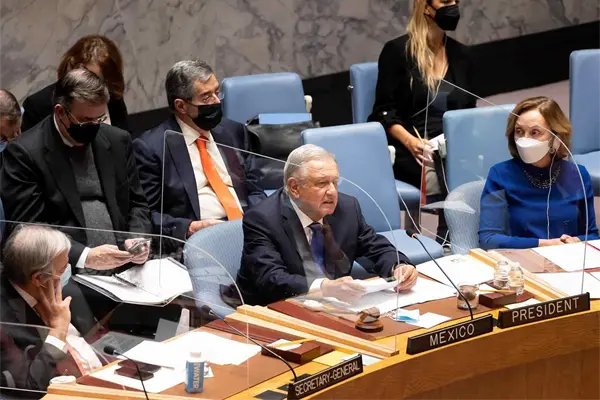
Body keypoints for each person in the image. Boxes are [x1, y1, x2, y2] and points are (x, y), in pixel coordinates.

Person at [0, 68, 151, 272]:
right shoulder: (24, 153)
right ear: (60, 112)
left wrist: (138, 238)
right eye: (85, 120)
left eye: (99, 119)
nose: (93, 126)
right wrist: (84, 256)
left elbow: (137, 203)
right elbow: (30, 229)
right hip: (65, 271)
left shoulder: (118, 140)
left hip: (126, 265)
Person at [237, 145, 418, 306]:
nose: (332, 191)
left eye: (335, 182)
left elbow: (374, 247)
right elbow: (271, 278)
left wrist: (398, 266)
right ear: (294, 188)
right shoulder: (262, 219)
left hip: (332, 307)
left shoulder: (347, 207)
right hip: (273, 309)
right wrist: (324, 287)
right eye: (322, 183)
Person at [369, 0, 475, 242]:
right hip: (410, 146)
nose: (453, 6)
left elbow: (469, 111)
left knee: (479, 161)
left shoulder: (462, 55)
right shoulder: (398, 52)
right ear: (425, 7)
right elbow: (383, 112)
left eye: (455, 1)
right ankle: (450, 238)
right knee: (446, 166)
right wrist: (411, 142)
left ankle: (470, 233)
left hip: (452, 144)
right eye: (445, 1)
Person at [133, 60, 265, 243]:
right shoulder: (151, 148)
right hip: (201, 240)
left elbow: (255, 188)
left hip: (249, 230)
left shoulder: (233, 131)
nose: (216, 101)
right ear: (181, 106)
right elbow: (147, 215)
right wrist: (190, 228)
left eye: (217, 92)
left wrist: (255, 221)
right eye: (206, 97)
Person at [479, 96, 599, 249]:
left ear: (556, 138)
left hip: (568, 258)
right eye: (519, 131)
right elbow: (488, 239)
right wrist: (545, 244)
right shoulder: (500, 174)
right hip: (519, 260)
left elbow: (592, 235)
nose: (524, 140)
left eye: (534, 132)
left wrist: (576, 241)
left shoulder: (578, 175)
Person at [0, 225, 103, 391]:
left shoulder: (59, 288)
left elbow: (95, 341)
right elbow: (30, 385)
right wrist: (57, 332)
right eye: (63, 269)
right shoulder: (5, 321)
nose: (68, 271)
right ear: (39, 278)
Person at [21, 35, 129, 132]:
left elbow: (125, 141)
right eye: (89, 78)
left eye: (101, 82)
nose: (94, 87)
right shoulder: (37, 106)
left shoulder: (113, 98)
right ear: (71, 69)